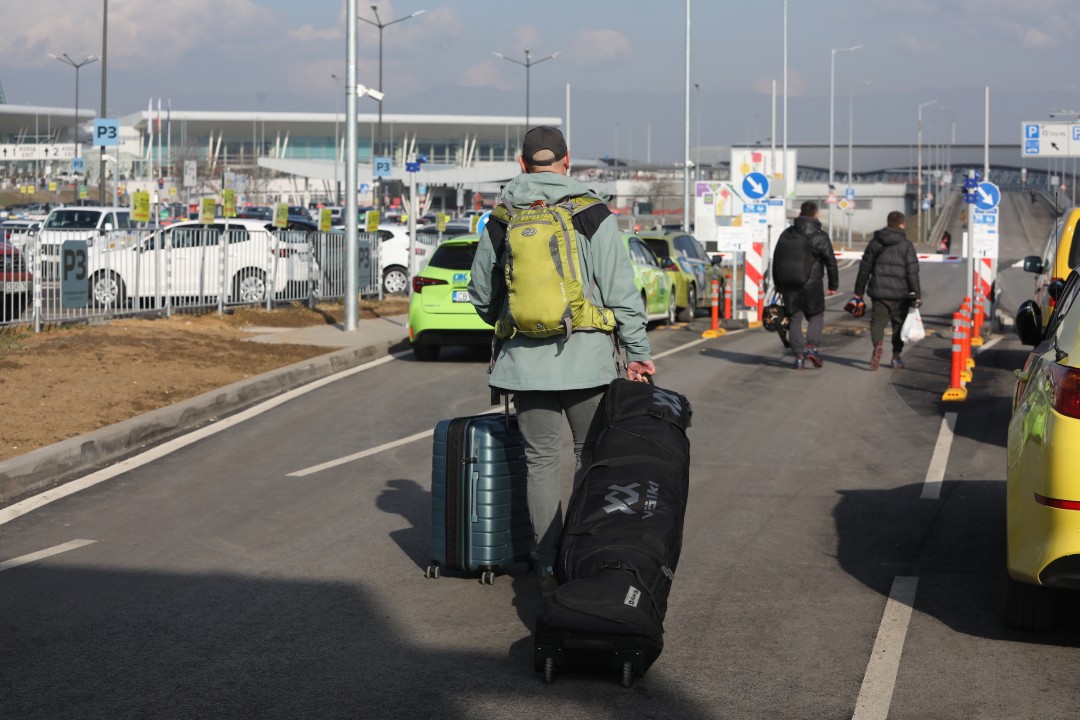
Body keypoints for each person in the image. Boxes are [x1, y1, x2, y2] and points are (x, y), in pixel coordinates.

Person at [468, 125, 655, 596]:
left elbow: (482, 293)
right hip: (587, 362)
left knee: (540, 463)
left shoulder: (502, 217)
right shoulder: (590, 211)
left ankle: (547, 565)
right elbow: (620, 290)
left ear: (521, 161)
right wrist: (637, 352)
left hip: (524, 368)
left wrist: (508, 321)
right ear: (567, 161)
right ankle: (584, 558)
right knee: (589, 460)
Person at [773, 200, 839, 369]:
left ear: (799, 214)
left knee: (795, 317)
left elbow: (777, 260)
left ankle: (799, 356)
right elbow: (831, 262)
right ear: (816, 215)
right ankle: (812, 347)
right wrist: (833, 285)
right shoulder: (820, 236)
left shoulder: (787, 234)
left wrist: (778, 283)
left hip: (789, 284)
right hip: (813, 283)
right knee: (816, 315)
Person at [853, 211, 922, 370]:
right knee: (899, 324)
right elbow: (912, 272)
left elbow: (865, 268)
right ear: (902, 224)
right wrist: (916, 294)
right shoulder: (906, 245)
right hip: (901, 294)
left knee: (877, 322)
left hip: (879, 292)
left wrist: (859, 291)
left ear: (888, 223)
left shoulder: (875, 242)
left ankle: (877, 344)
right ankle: (896, 357)